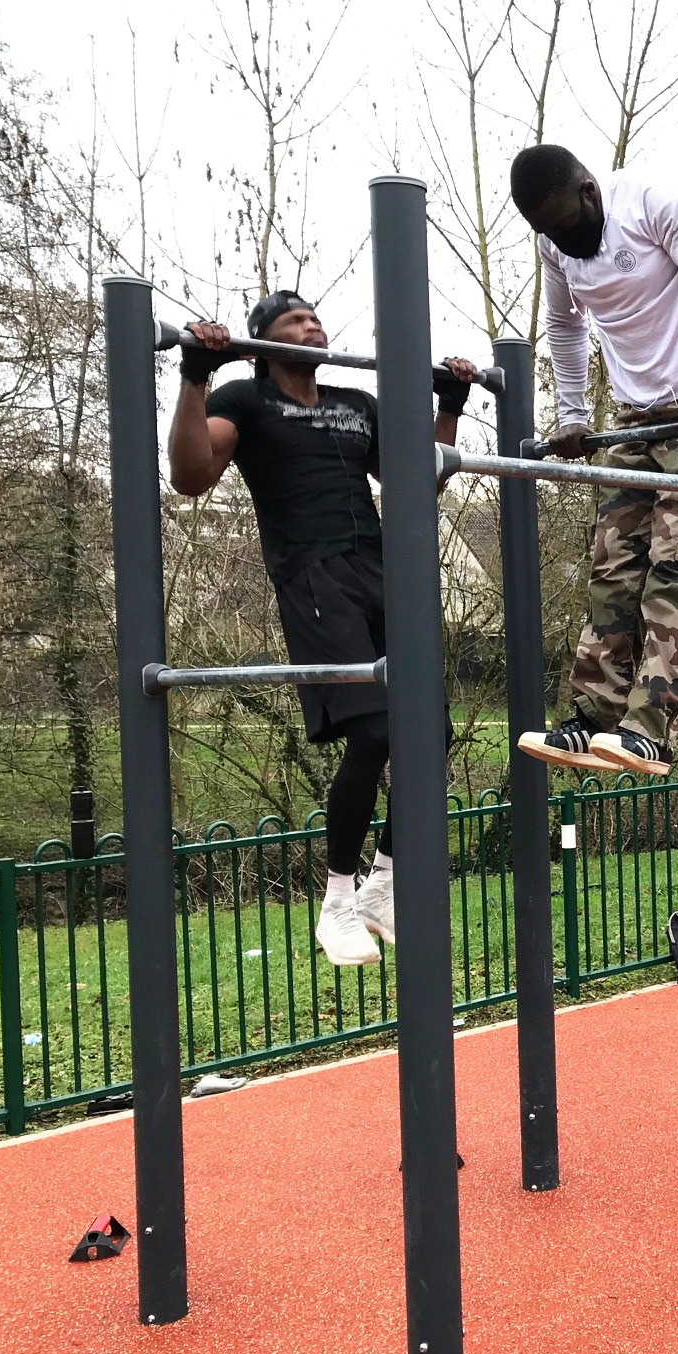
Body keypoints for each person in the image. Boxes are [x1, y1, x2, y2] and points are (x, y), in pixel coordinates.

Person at [166, 291, 478, 968]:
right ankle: (338, 900)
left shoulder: (354, 404)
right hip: (313, 576)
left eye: (313, 319)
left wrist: (447, 405)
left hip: (379, 565)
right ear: (262, 347)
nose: (309, 327)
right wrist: (195, 376)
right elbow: (191, 474)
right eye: (291, 324)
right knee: (372, 730)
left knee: (431, 730)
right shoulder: (245, 402)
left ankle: (384, 886)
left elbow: (417, 479)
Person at [508, 144, 678, 778]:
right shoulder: (554, 244)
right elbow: (565, 327)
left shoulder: (653, 205)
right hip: (635, 418)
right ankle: (593, 720)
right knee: (614, 568)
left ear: (589, 194)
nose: (559, 243)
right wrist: (572, 417)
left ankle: (649, 728)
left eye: (564, 227)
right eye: (544, 232)